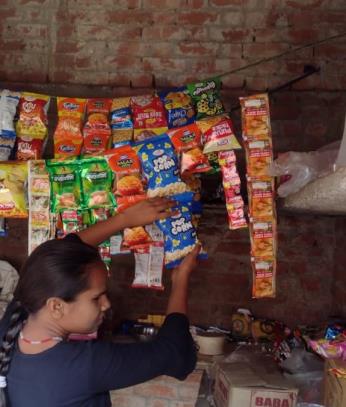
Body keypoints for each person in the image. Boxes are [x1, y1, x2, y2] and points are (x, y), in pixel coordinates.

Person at [0, 197, 199, 407]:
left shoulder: (13, 324)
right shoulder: (86, 365)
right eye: (96, 298)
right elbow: (174, 352)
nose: (106, 304)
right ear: (56, 306)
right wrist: (181, 279)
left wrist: (125, 219)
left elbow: (61, 253)